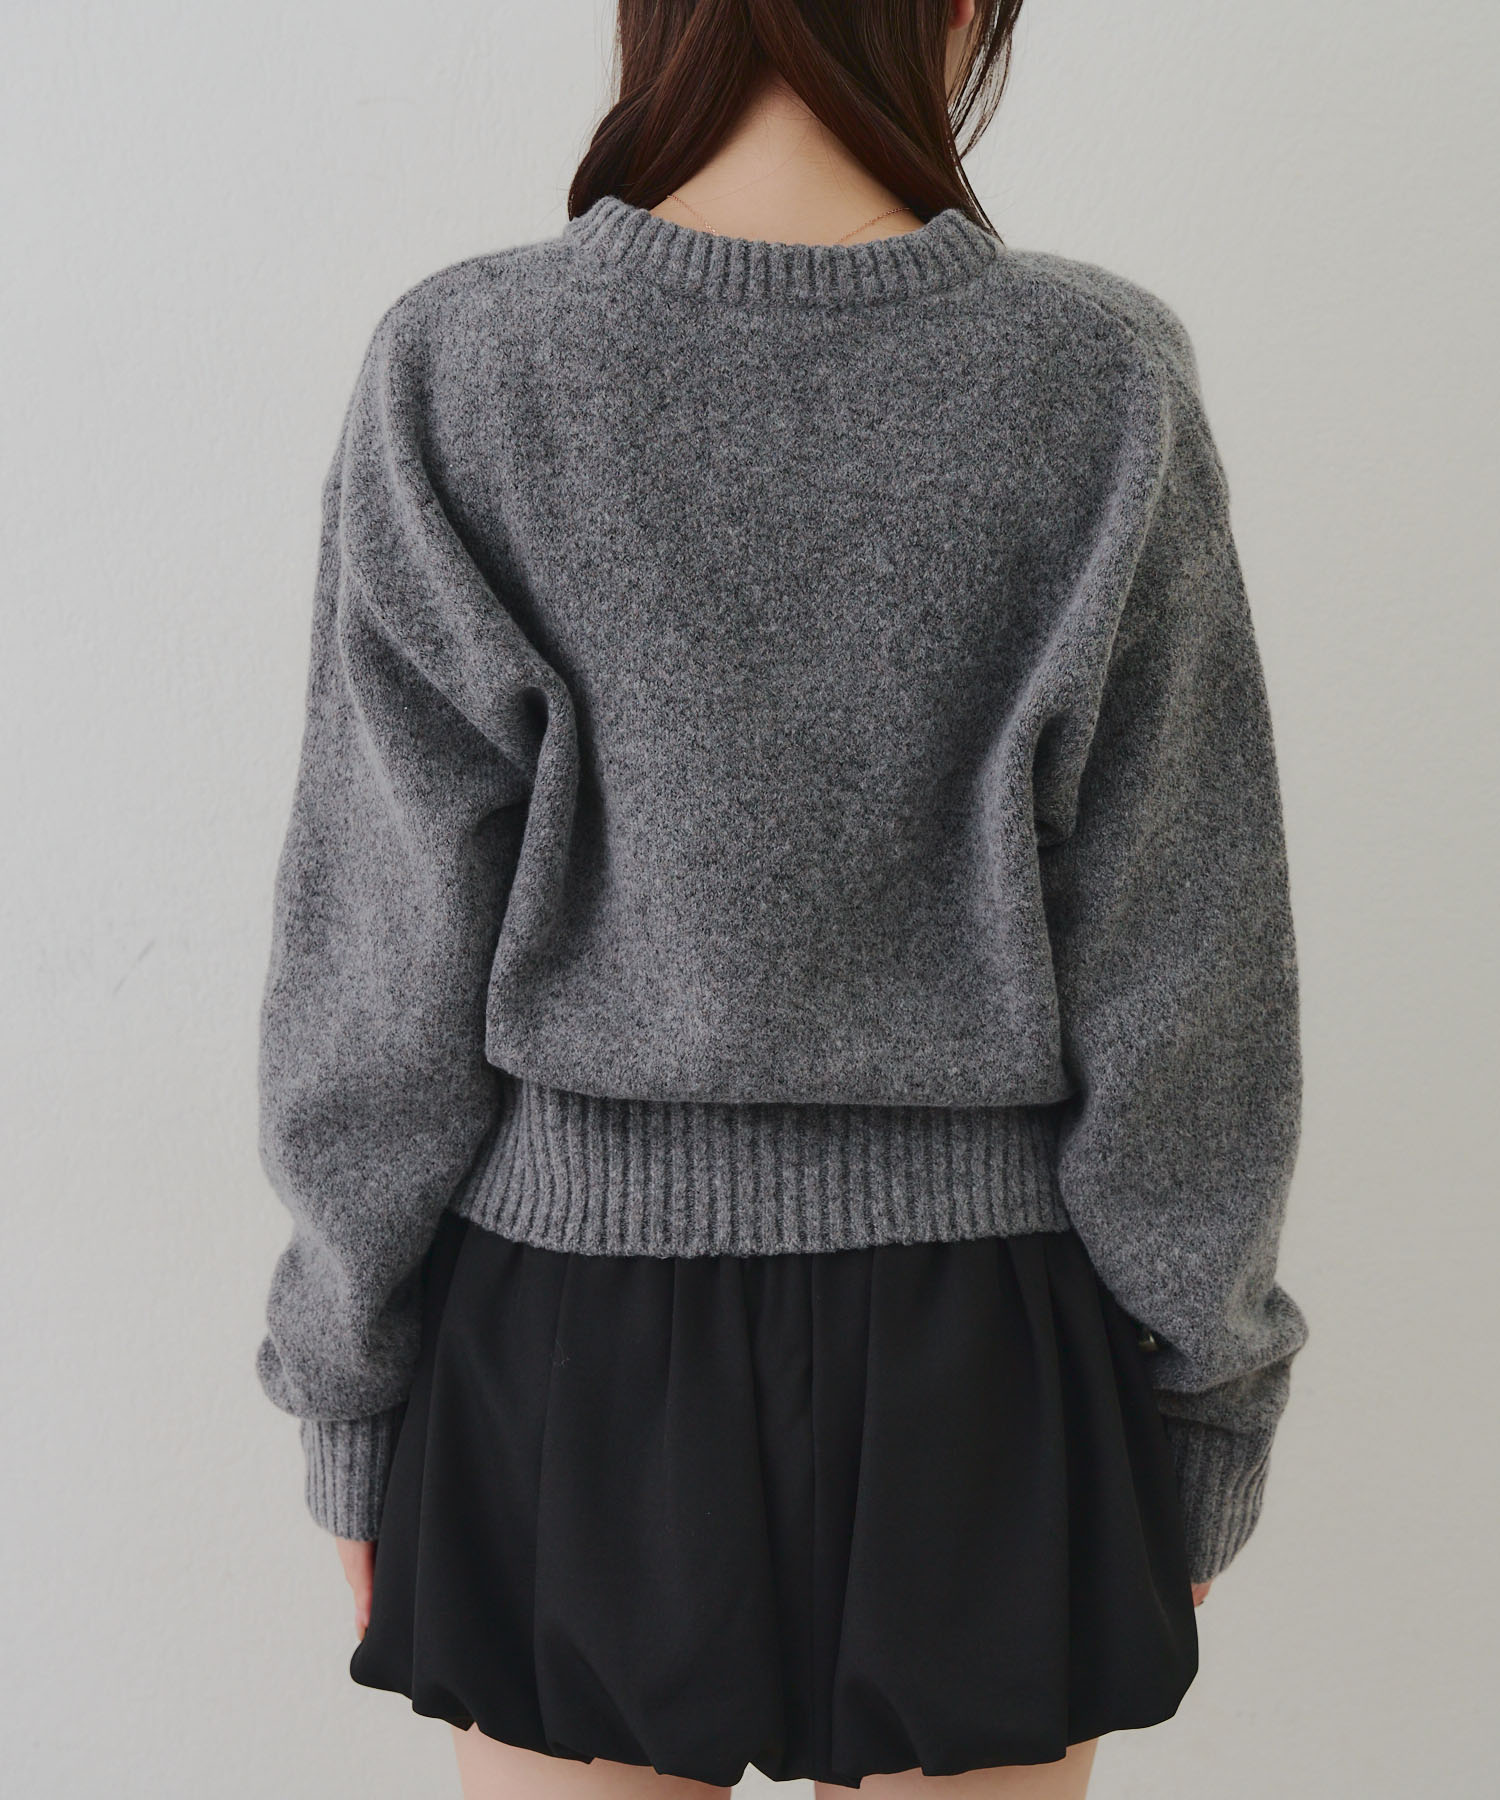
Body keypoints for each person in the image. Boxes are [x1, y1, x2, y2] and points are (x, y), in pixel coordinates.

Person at [252, 3, 1310, 1796]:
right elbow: (1184, 964)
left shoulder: (467, 361)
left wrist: (347, 1382)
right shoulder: (1099, 379)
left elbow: (382, 957)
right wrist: (1210, 1398)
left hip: (569, 1348)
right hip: (988, 1359)